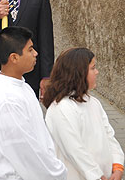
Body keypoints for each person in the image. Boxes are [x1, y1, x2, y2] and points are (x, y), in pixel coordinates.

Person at [0, 26, 67, 180]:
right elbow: (24, 151)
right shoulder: (7, 100)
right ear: (14, 57)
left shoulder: (22, 87)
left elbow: (38, 135)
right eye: (30, 49)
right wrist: (57, 172)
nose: (36, 53)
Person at [44, 48, 124, 180]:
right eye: (93, 68)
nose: (97, 72)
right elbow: (74, 150)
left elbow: (109, 135)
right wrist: (98, 176)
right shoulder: (61, 108)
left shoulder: (93, 103)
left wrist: (117, 165)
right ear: (78, 73)